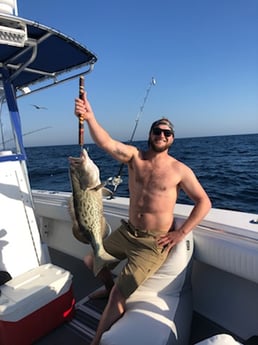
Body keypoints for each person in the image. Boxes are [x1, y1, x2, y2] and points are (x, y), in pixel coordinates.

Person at [74, 91, 212, 345]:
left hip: (152, 243)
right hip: (128, 232)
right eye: (157, 131)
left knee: (119, 294)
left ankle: (95, 341)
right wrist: (90, 117)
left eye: (166, 133)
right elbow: (107, 143)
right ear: (150, 134)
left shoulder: (180, 170)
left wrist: (180, 233)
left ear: (172, 139)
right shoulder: (134, 157)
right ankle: (105, 287)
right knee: (90, 261)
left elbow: (204, 202)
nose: (161, 135)